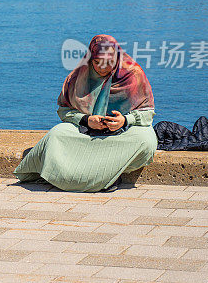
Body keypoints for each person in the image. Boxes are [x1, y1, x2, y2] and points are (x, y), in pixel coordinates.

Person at [13, 34, 157, 192]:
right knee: (56, 134)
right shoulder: (78, 76)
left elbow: (147, 113)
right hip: (86, 132)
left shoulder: (133, 74)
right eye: (97, 62)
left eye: (108, 62)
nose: (102, 67)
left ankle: (93, 175)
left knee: (146, 140)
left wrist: (124, 120)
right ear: (90, 58)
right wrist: (86, 119)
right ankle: (104, 177)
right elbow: (64, 111)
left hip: (122, 133)